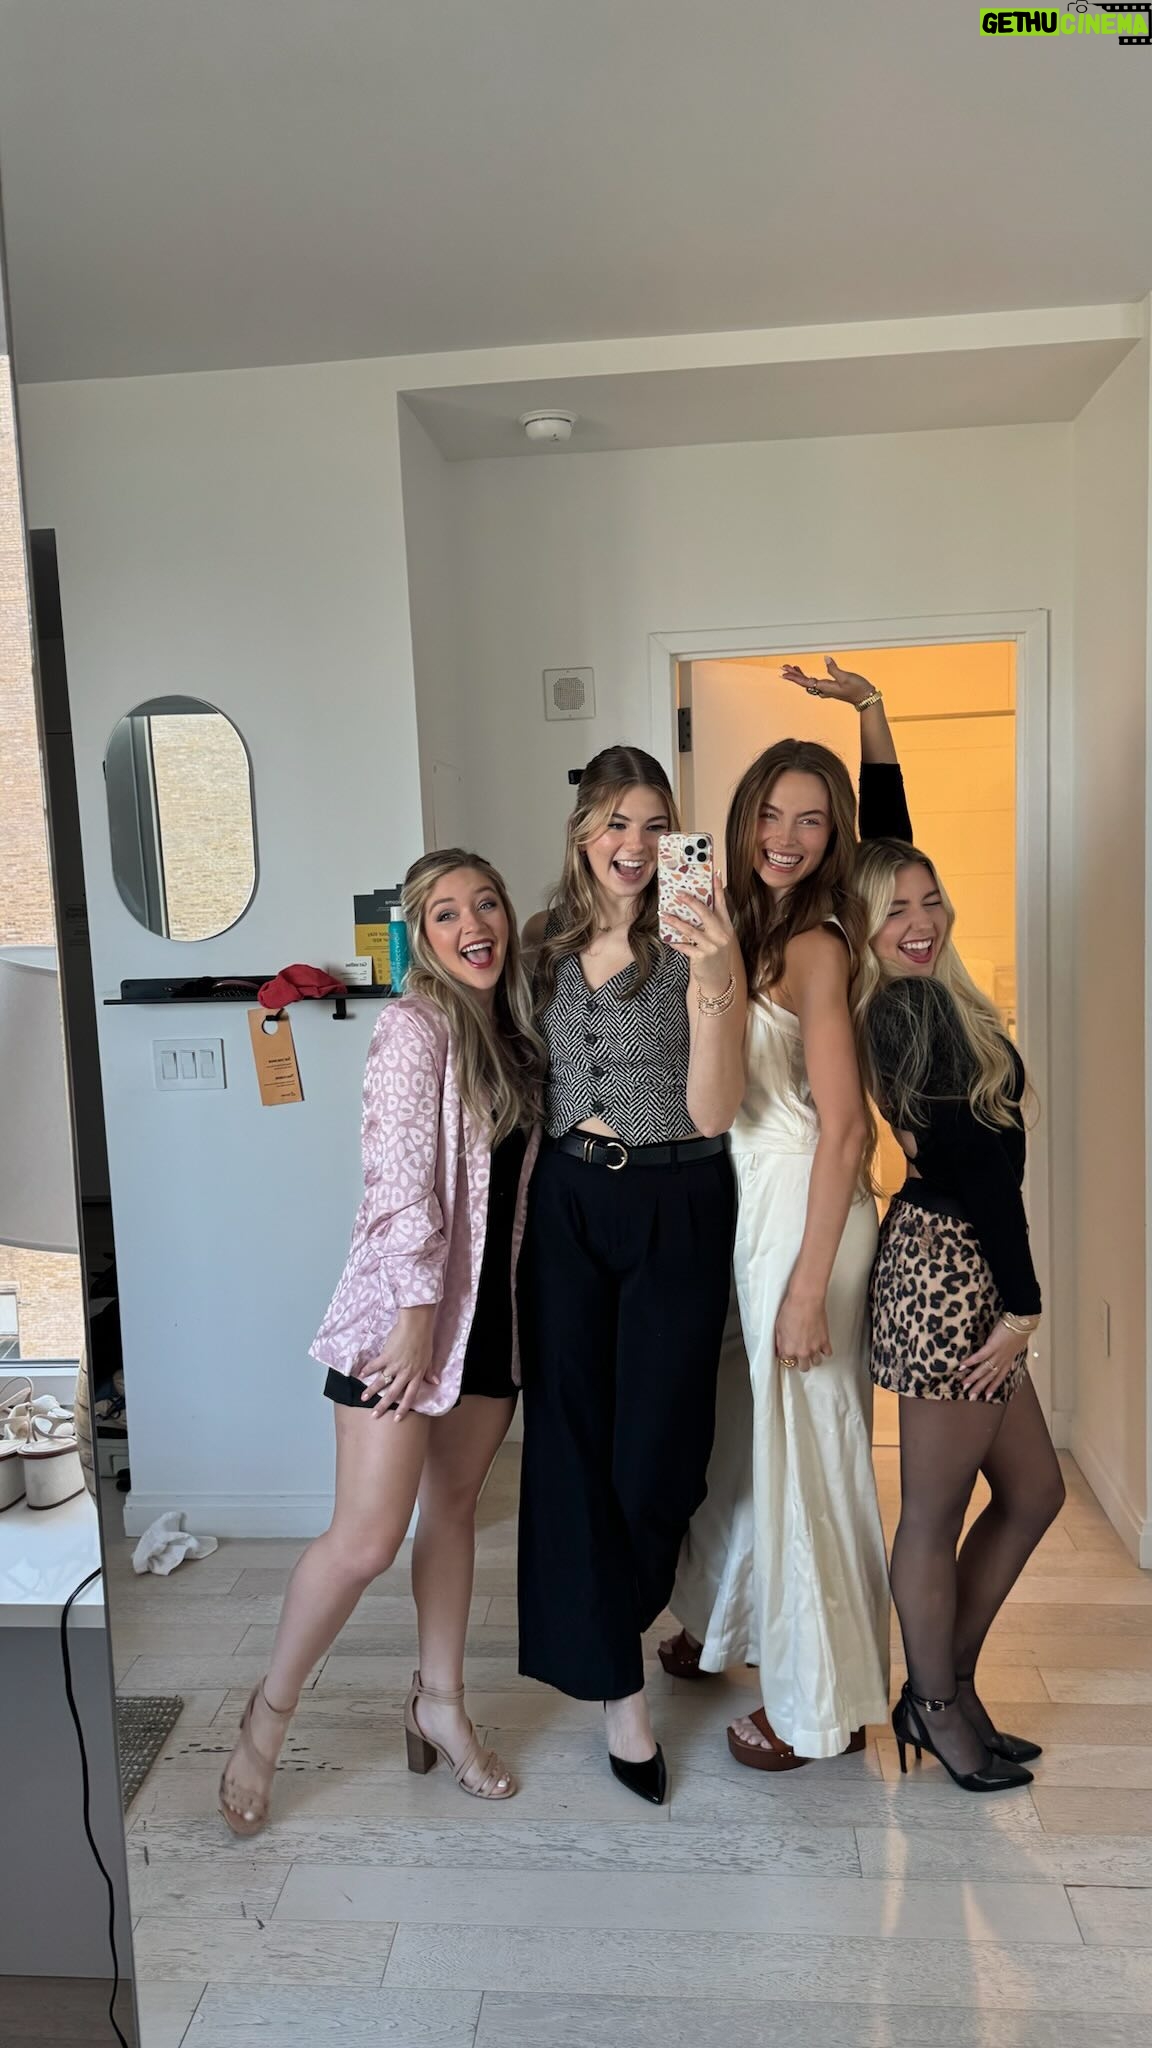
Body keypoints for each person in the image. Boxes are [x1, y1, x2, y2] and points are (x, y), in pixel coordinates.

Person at [218, 850, 544, 1834]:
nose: (473, 925)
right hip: (405, 1319)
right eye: (446, 913)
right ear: (421, 937)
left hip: (490, 1320)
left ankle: (438, 1703)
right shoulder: (413, 1026)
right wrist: (411, 1316)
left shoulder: (517, 1036)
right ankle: (267, 1718)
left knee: (453, 1510)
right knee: (363, 1539)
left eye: (486, 903)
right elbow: (397, 1179)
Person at [667, 663, 909, 1769]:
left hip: (810, 1210)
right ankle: (729, 1620)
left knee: (811, 1456)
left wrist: (809, 1286)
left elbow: (847, 1131)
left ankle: (824, 1705)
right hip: (755, 1208)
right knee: (748, 1437)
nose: (787, 835)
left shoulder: (815, 944)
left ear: (836, 836)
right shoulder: (743, 928)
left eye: (812, 820)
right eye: (772, 811)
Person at [517, 745, 747, 1804]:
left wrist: (716, 973)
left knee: (661, 1451)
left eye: (656, 824)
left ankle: (628, 1619)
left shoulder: (698, 936)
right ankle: (620, 1690)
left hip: (677, 1199)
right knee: (569, 1444)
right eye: (616, 821)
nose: (636, 844)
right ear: (582, 832)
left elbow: (714, 1108)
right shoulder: (541, 944)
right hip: (569, 1203)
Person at [855, 836, 1064, 1793]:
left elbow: (887, 842)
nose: (920, 921)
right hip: (947, 1277)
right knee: (935, 1513)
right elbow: (983, 1173)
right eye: (893, 908)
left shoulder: (931, 998)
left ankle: (952, 1684)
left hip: (961, 1266)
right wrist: (1023, 1307)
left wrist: (876, 740)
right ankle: (934, 1704)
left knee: (1034, 1492)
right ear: (863, 925)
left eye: (929, 898)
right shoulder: (904, 1012)